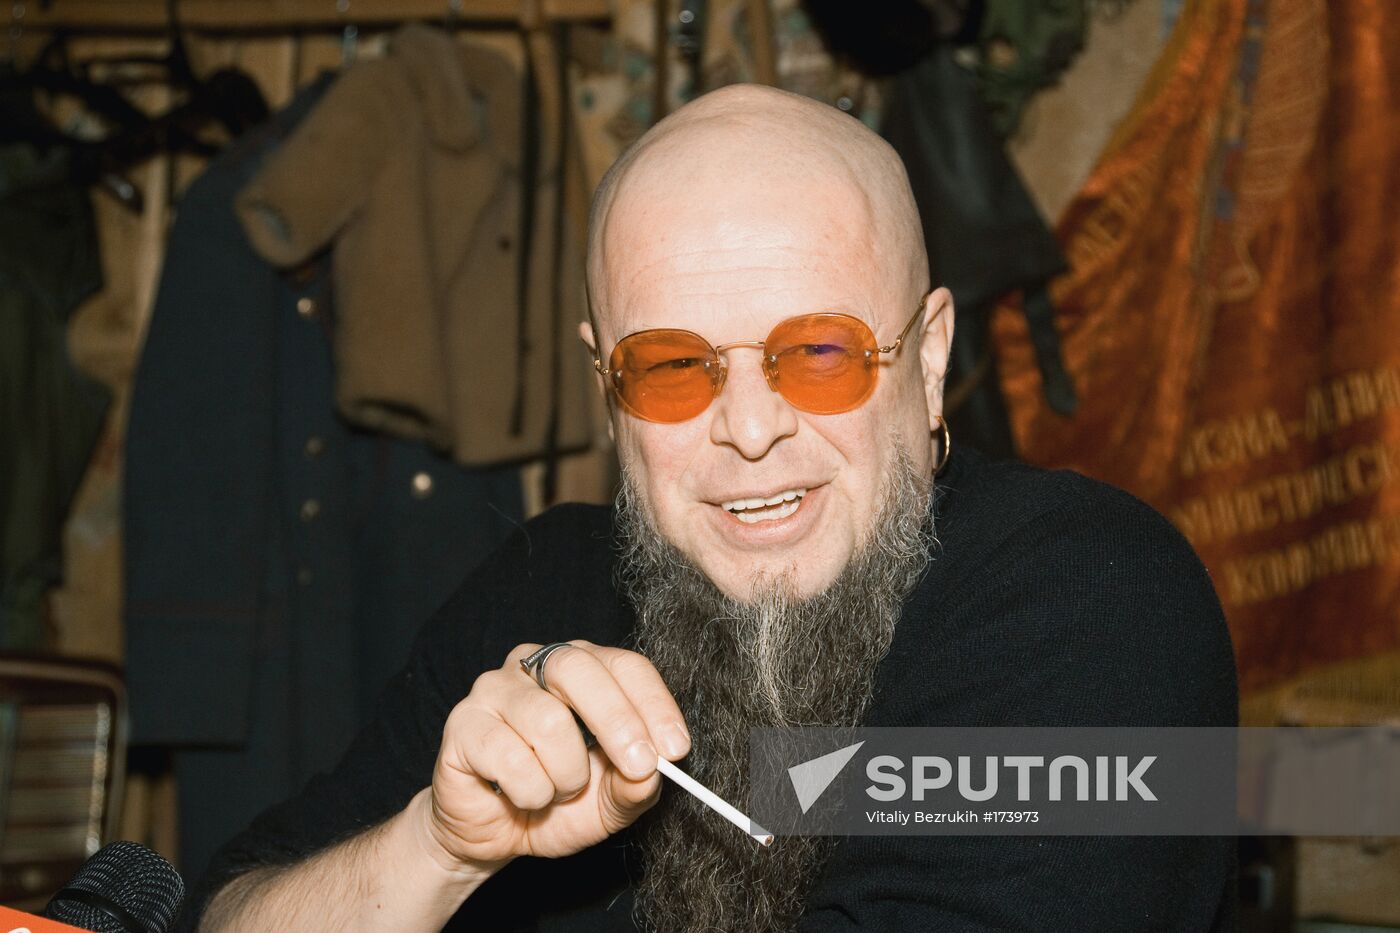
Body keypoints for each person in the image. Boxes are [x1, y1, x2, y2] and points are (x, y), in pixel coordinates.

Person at [189, 84, 1237, 932]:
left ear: (927, 359)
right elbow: (224, 911)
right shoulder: (536, 598)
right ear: (606, 388)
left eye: (817, 352)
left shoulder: (1096, 594)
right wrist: (435, 849)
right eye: (672, 367)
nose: (748, 428)